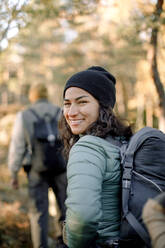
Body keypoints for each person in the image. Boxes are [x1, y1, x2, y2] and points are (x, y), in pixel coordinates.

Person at [59, 66, 133, 248]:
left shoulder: (87, 148)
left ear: (103, 106)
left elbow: (82, 218)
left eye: (82, 102)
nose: (71, 112)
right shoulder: (121, 143)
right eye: (67, 103)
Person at [8, 83, 67, 248]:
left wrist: (13, 173)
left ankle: (40, 245)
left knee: (38, 213)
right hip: (61, 168)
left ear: (32, 96)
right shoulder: (60, 111)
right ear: (46, 94)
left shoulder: (25, 115)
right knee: (65, 209)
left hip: (36, 170)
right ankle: (64, 243)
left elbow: (18, 147)